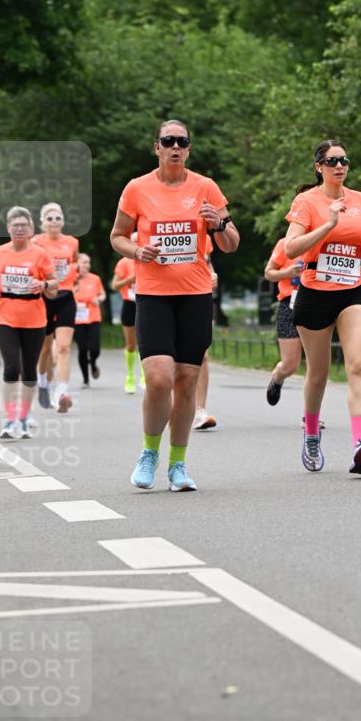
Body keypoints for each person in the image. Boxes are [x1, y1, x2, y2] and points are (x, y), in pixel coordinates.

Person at [110, 118, 239, 491]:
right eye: (169, 141)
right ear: (157, 147)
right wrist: (137, 250)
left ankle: (178, 465)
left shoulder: (206, 187)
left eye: (182, 141)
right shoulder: (137, 189)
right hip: (153, 296)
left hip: (195, 296)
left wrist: (218, 224)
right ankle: (150, 453)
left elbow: (232, 243)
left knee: (186, 381)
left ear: (189, 148)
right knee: (159, 378)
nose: (176, 147)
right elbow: (117, 236)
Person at [283, 139, 361, 474]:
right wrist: (327, 225)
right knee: (318, 372)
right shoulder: (306, 202)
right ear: (318, 167)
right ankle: (311, 434)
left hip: (353, 289)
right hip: (315, 292)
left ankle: (359, 445)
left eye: (344, 161)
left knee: (358, 366)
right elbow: (292, 249)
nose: (339, 166)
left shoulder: (360, 200)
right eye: (331, 161)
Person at [0, 207, 58, 439]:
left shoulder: (40, 254)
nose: (19, 228)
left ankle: (24, 419)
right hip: (5, 316)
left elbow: (54, 283)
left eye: (23, 225)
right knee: (11, 367)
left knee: (28, 371)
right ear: (8, 228)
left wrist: (44, 285)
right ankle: (9, 419)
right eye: (15, 225)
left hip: (34, 318)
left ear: (30, 229)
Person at [32, 202, 79, 413]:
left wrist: (73, 281)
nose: (54, 221)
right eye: (49, 218)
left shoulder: (72, 242)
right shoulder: (35, 242)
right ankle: (43, 382)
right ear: (42, 222)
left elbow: (74, 263)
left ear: (63, 221)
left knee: (63, 347)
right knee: (44, 348)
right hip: (43, 298)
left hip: (65, 297)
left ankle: (61, 392)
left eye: (57, 217)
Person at [264, 238, 304, 407]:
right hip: (289, 304)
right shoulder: (285, 244)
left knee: (317, 366)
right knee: (290, 366)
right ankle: (277, 377)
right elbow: (269, 273)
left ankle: (310, 417)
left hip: (316, 303)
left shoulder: (323, 241)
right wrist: (287, 273)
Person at [111, 236, 144, 394]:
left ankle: (145, 376)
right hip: (129, 305)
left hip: (147, 304)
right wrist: (131, 278)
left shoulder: (150, 258)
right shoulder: (124, 263)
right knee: (131, 344)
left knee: (147, 343)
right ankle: (130, 375)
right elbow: (114, 285)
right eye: (135, 241)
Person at [193, 235, 217, 430]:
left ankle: (200, 410)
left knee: (202, 355)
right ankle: (175, 405)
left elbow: (207, 263)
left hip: (198, 294)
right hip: (163, 297)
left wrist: (212, 274)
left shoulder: (204, 235)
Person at [74, 253, 106, 388]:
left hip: (93, 317)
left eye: (88, 262)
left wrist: (98, 299)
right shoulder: (72, 280)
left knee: (95, 349)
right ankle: (86, 379)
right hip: (77, 320)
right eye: (84, 262)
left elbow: (103, 294)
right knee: (82, 349)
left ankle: (93, 364)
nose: (87, 265)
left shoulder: (95, 279)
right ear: (77, 264)